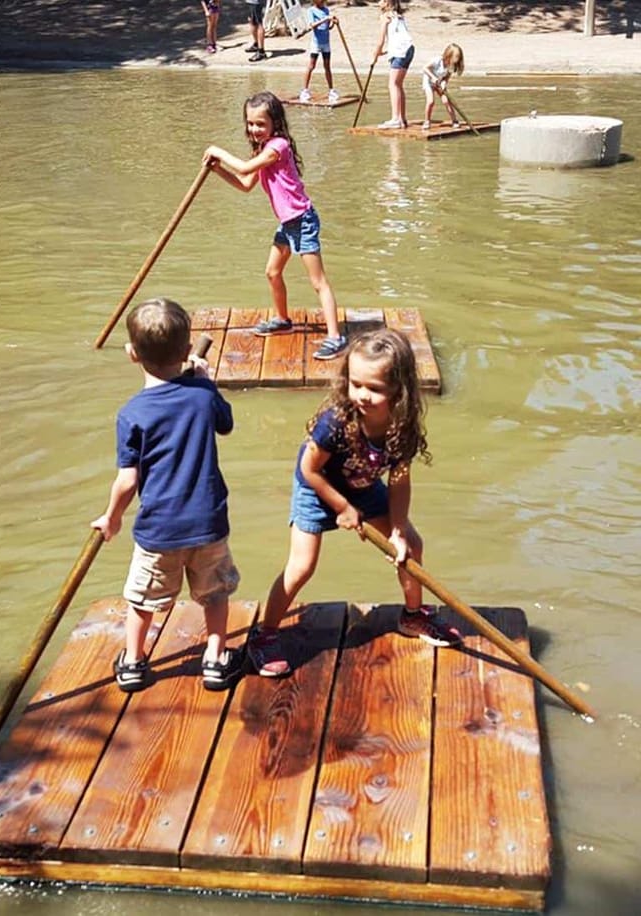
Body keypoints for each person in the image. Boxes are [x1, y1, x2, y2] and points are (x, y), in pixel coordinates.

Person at [246, 329, 461, 677]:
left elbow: (400, 480)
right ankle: (264, 634)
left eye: (374, 388)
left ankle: (412, 616)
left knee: (411, 547)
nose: (362, 395)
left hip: (363, 486)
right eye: (356, 384)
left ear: (399, 389)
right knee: (302, 566)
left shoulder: (401, 426)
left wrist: (398, 528)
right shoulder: (336, 422)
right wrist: (342, 508)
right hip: (318, 489)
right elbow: (309, 469)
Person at [91, 298, 244, 694]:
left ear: (131, 354)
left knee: (142, 600)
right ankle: (214, 659)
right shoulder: (202, 395)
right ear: (186, 351)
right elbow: (225, 425)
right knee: (214, 594)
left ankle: (134, 661)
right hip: (209, 522)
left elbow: (127, 481)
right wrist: (206, 380)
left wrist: (111, 517)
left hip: (158, 529)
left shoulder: (132, 413)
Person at [203, 92, 346, 359]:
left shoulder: (277, 147)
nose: (254, 129)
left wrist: (217, 151)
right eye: (250, 124)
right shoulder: (262, 150)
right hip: (287, 224)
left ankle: (336, 337)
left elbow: (244, 169)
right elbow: (245, 184)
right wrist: (217, 169)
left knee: (318, 282)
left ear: (274, 124)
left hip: (302, 221)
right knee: (272, 272)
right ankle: (283, 320)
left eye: (260, 124)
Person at [372, 0, 414, 130]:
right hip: (409, 49)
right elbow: (398, 37)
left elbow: (381, 40)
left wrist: (374, 56)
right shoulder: (398, 15)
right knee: (398, 84)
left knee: (393, 84)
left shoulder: (385, 17)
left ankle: (395, 119)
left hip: (400, 51)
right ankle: (402, 118)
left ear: (387, 3)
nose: (379, 2)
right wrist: (382, 53)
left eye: (381, 0)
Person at [299, 0, 338, 104]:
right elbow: (312, 25)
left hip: (326, 43)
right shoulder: (311, 11)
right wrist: (325, 19)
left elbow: (327, 27)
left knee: (327, 66)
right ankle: (305, 90)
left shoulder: (326, 10)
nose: (322, 2)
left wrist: (333, 23)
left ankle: (331, 90)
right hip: (316, 44)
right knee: (311, 66)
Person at [422, 43, 464, 130]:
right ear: (449, 55)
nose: (457, 59)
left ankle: (454, 121)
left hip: (439, 83)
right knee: (430, 101)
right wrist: (433, 77)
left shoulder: (452, 65)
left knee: (446, 101)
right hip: (429, 82)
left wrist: (444, 82)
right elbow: (425, 68)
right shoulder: (438, 60)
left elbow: (447, 76)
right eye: (456, 57)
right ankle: (427, 121)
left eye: (459, 57)